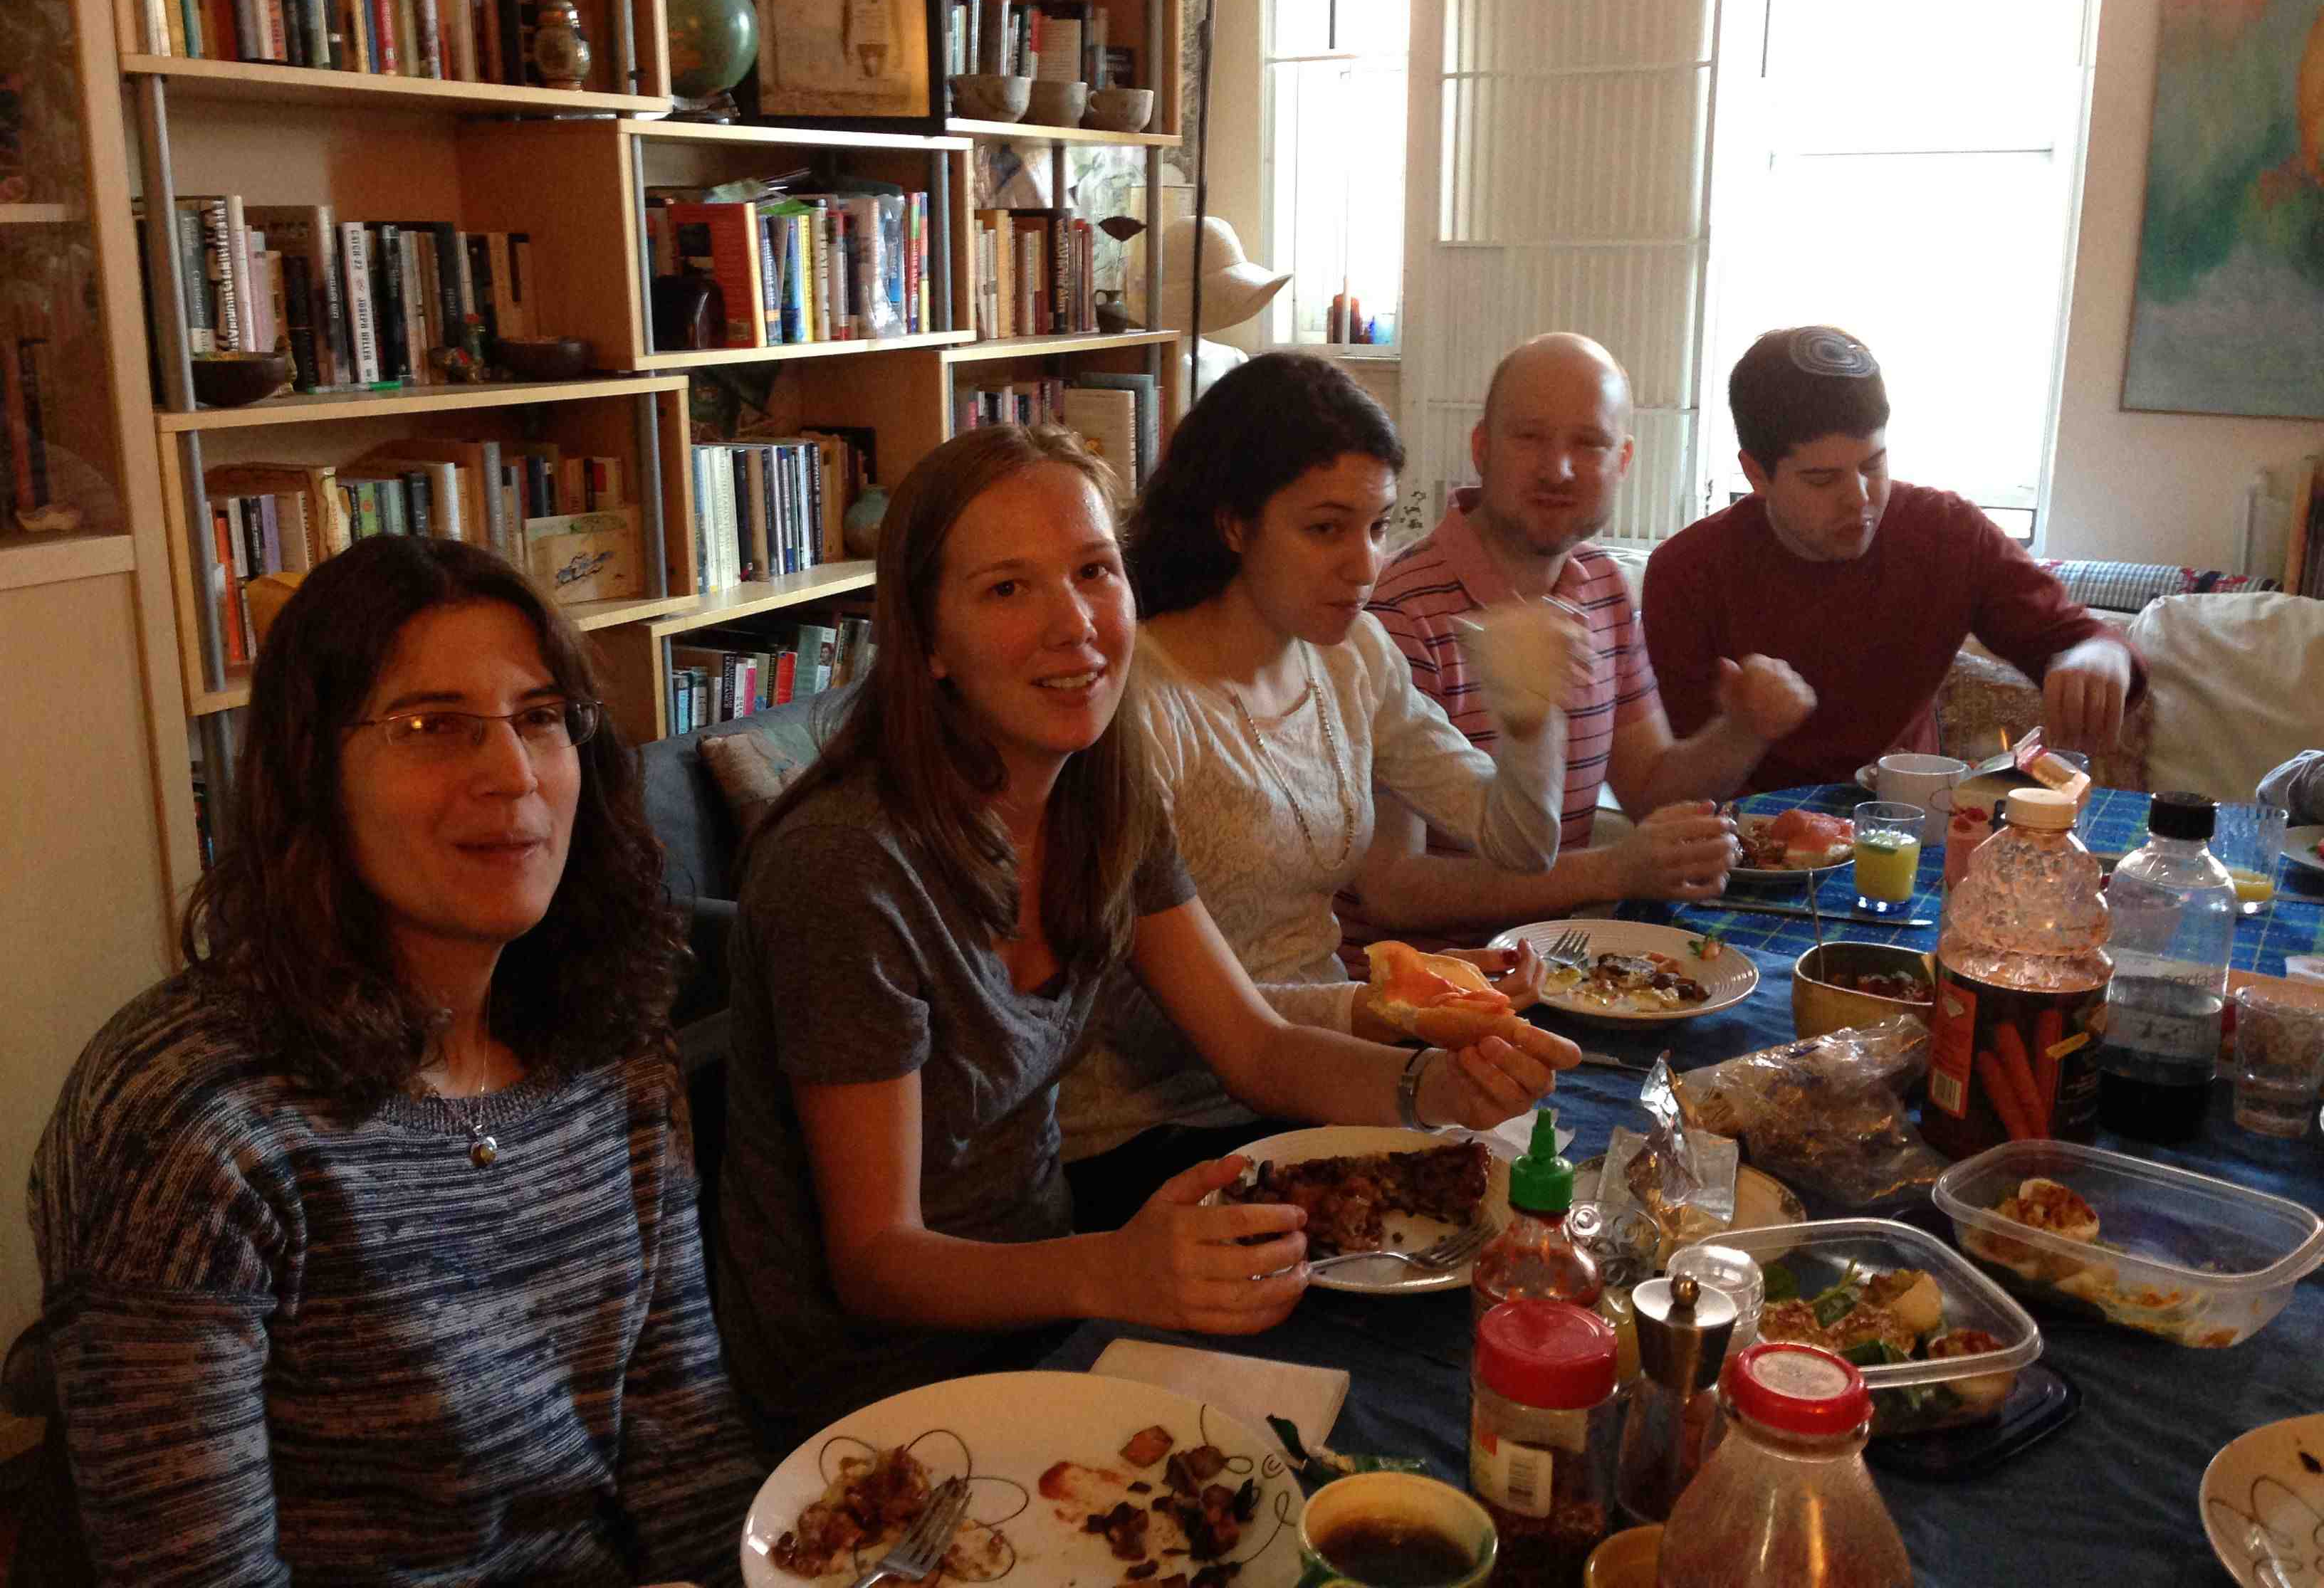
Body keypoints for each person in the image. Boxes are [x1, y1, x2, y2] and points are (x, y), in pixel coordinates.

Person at [716, 423, 1576, 1453]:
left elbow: (1255, 1047)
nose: (1075, 624)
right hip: (878, 1394)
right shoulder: (846, 868)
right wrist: (1113, 1268)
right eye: (1008, 589)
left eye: (1094, 571)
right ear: (929, 641)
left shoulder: (1101, 794)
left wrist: (1435, 1089)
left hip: (1059, 1313)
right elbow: (875, 1259)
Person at [29, 535, 760, 1587]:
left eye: (539, 718)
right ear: (312, 774)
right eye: (432, 726)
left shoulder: (608, 1047)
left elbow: (686, 1448)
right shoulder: (189, 1122)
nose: (513, 774)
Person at [1054, 352, 1582, 1201]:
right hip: (1152, 1130)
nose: (1365, 566)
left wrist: (1531, 718)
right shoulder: (1141, 705)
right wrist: (1383, 1008)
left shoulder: (1351, 656)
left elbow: (1521, 844)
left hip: (1320, 1081)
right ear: (1234, 524)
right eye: (1327, 529)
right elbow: (1137, 1015)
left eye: (1378, 527)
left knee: (1550, 1183)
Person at [1348, 333, 1816, 950]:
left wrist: (1744, 729)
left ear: (1623, 461)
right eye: (1530, 438)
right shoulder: (1396, 613)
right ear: (1481, 448)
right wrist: (1612, 870)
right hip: (1424, 985)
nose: (1558, 469)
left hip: (1560, 964)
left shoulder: (1602, 583)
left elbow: (1650, 791)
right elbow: (1392, 889)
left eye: (1589, 444)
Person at [1643, 325, 2144, 792]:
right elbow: (1673, 791)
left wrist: (2098, 656)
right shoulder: (1686, 573)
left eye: (1873, 464)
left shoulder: (1948, 533)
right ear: (1756, 474)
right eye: (1822, 479)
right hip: (1745, 838)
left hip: (1909, 822)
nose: (1860, 499)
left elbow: (2084, 640)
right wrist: (1744, 729)